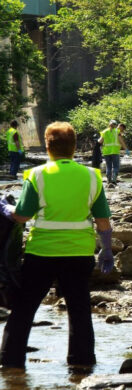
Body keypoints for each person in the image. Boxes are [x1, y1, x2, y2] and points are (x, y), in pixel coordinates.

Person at [0, 121, 114, 369]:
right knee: (80, 309)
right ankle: (81, 365)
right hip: (80, 253)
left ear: (48, 147)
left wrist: (4, 207)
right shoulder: (91, 176)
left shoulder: (37, 175)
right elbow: (103, 221)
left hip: (42, 252)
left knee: (24, 309)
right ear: (74, 148)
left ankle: (11, 364)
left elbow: (22, 216)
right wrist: (107, 250)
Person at [98, 119, 129, 186]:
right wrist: (126, 149)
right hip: (115, 151)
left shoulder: (104, 131)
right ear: (115, 125)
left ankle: (109, 181)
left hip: (106, 152)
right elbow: (121, 141)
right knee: (115, 167)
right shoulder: (117, 131)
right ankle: (114, 180)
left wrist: (97, 148)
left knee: (108, 167)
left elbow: (100, 141)